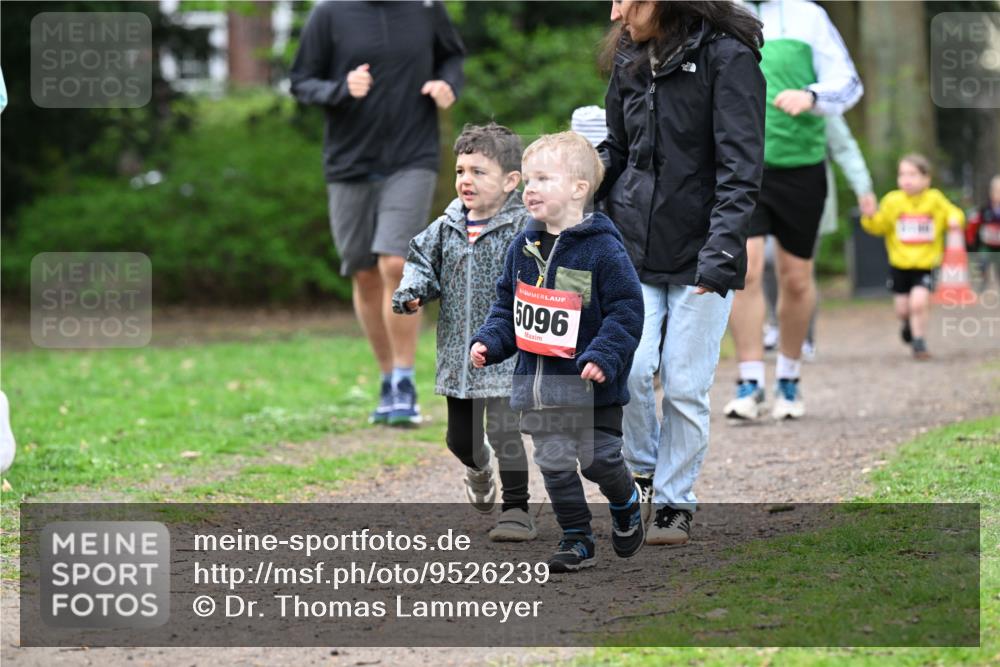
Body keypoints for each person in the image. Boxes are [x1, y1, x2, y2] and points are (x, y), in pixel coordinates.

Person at [597, 0, 765, 545]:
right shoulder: (629, 56)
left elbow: (741, 171)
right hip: (631, 244)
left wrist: (719, 257)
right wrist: (575, 184)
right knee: (631, 366)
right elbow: (617, 151)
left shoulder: (729, 58)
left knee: (686, 384)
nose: (617, 10)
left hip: (703, 251)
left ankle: (675, 501)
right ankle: (643, 471)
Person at [471, 132, 645, 572]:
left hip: (591, 388)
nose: (530, 188)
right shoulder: (522, 248)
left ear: (578, 189)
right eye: (528, 180)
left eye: (543, 178)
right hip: (539, 387)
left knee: (597, 461)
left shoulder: (603, 248)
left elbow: (626, 311)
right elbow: (506, 306)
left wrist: (604, 356)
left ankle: (626, 501)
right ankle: (576, 538)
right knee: (553, 463)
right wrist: (489, 342)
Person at [290, 1, 465, 427]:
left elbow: (452, 55)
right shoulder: (329, 13)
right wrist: (339, 88)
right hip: (349, 162)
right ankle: (387, 378)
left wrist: (446, 83)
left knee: (395, 262)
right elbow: (300, 82)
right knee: (365, 272)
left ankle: (405, 379)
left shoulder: (426, 7)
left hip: (412, 156)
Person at [392, 123, 535, 541]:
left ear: (511, 181)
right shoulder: (446, 226)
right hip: (459, 353)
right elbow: (420, 263)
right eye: (460, 171)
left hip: (508, 350)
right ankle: (478, 467)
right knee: (461, 440)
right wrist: (413, 292)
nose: (465, 180)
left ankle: (516, 510)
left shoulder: (526, 227)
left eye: (478, 171)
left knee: (506, 429)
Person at [725, 0, 863, 421]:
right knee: (745, 270)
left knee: (796, 278)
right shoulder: (724, 10)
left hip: (801, 167)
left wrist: (811, 95)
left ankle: (789, 376)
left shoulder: (809, 15)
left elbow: (849, 82)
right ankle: (749, 381)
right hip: (742, 164)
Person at [762, 114, 877, 359]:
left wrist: (863, 187)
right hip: (767, 196)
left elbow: (844, 147)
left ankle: (805, 337)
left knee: (800, 272)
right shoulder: (763, 93)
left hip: (809, 199)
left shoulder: (821, 104)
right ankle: (775, 323)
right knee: (767, 261)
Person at [861, 154, 964, 360]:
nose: (906, 179)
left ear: (927, 179)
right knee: (902, 309)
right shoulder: (892, 201)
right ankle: (907, 324)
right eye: (902, 174)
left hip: (926, 263)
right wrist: (870, 216)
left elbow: (954, 213)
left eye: (913, 174)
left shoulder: (934, 199)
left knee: (918, 302)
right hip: (899, 264)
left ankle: (919, 343)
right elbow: (880, 226)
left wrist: (954, 221)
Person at [966, 174, 1000, 290]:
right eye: (997, 191)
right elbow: (973, 224)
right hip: (987, 244)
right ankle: (983, 282)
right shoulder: (984, 210)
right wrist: (970, 239)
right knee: (982, 261)